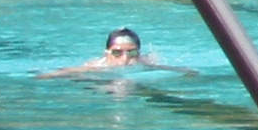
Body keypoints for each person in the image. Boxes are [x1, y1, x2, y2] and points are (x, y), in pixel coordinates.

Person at [42, 27, 173, 79]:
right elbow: (69, 71)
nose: (125, 58)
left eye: (131, 53)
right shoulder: (96, 66)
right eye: (117, 53)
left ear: (138, 53)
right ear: (106, 53)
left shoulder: (144, 63)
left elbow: (169, 68)